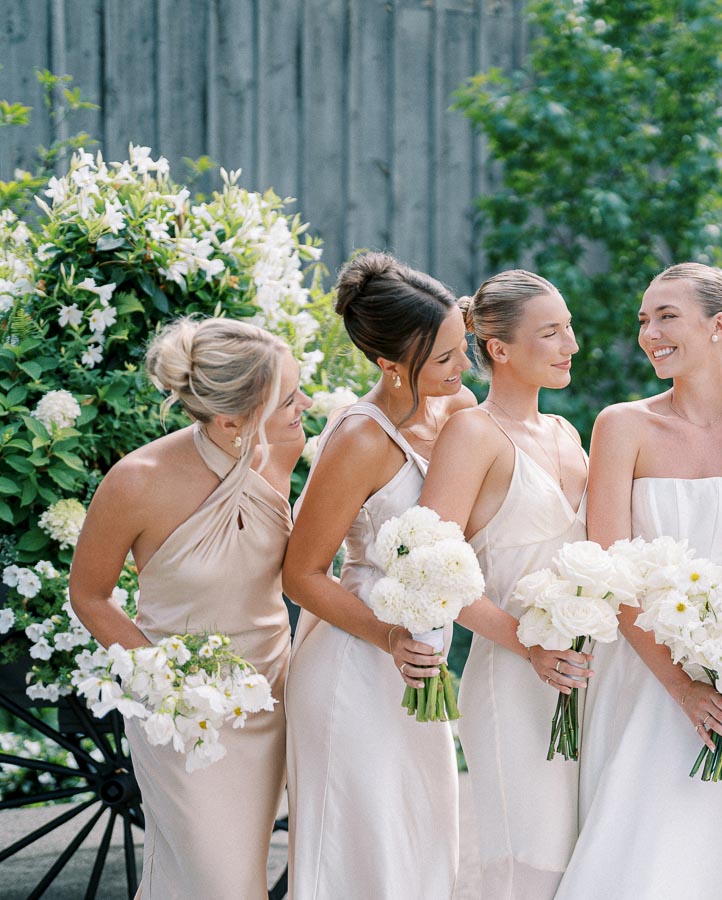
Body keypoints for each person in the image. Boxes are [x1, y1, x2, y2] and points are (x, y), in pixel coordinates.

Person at [555, 263, 722, 899]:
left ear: (720, 326)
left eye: (667, 316)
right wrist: (685, 689)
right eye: (644, 319)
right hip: (643, 675)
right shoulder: (623, 425)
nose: (649, 333)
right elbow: (609, 571)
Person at [69, 316, 310, 897]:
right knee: (217, 883)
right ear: (230, 420)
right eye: (288, 398)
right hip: (183, 718)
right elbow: (89, 594)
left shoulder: (284, 446)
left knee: (237, 873)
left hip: (271, 697)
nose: (306, 403)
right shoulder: (136, 481)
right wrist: (169, 684)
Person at [282, 252, 478, 899]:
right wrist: (390, 638)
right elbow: (302, 574)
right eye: (446, 358)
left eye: (463, 347)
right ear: (390, 366)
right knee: (360, 851)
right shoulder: (361, 439)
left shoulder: (459, 410)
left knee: (421, 841)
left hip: (422, 655)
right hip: (355, 664)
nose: (464, 367)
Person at [420, 270, 592, 898]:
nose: (571, 344)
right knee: (530, 864)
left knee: (582, 859)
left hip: (583, 674)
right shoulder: (472, 434)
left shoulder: (568, 434)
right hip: (515, 675)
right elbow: (432, 568)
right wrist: (533, 647)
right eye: (551, 332)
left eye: (568, 327)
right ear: (499, 349)